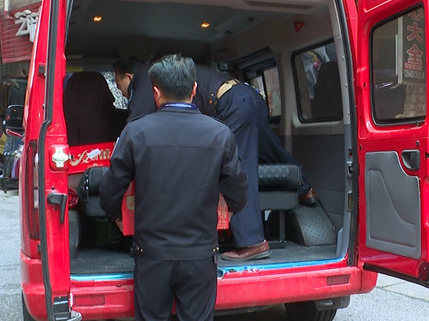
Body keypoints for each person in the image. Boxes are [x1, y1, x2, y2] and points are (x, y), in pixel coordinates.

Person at [99, 54, 248, 321]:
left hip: (152, 255)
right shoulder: (220, 134)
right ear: (194, 89)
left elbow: (111, 191)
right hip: (200, 255)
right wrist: (231, 208)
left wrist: (114, 218)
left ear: (155, 92)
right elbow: (238, 192)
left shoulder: (136, 132)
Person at [114, 57, 316, 261]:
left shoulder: (145, 78)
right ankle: (304, 187)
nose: (120, 92)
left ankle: (253, 241)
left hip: (229, 104)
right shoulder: (163, 74)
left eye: (118, 83)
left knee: (235, 167)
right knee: (268, 149)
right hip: (248, 96)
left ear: (128, 77)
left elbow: (136, 125)